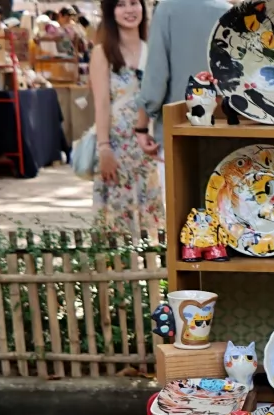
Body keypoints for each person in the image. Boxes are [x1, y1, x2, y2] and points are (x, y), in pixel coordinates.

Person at [90, 0, 163, 238]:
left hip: (150, 146)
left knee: (152, 219)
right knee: (117, 222)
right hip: (116, 146)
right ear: (111, 12)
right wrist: (104, 148)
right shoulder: (103, 53)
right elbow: (101, 104)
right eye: (121, 5)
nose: (129, 10)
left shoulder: (153, 50)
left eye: (134, 3)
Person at [132, 0, 229, 161]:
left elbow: (156, 76)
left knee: (177, 175)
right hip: (223, 126)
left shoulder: (166, 10)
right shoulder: (227, 11)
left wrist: (141, 127)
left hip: (177, 127)